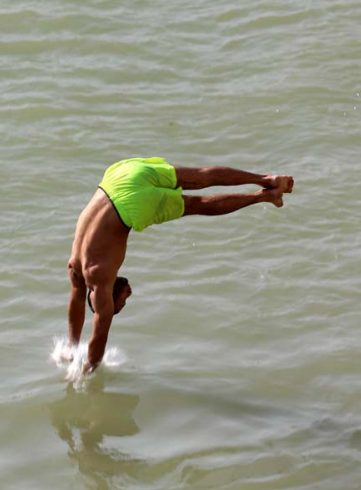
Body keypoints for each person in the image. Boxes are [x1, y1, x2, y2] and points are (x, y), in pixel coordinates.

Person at [66, 157, 294, 376]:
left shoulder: (100, 281)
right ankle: (267, 179)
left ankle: (263, 196)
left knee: (199, 204)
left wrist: (86, 373)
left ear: (103, 300)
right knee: (202, 176)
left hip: (131, 205)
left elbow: (98, 337)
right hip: (118, 177)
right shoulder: (75, 266)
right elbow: (76, 300)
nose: (129, 295)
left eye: (122, 302)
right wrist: (72, 348)